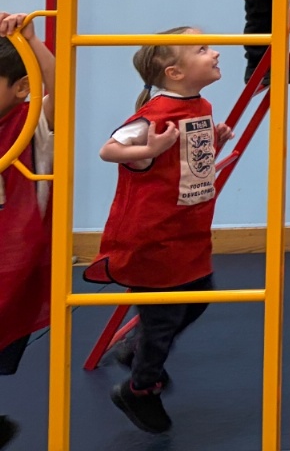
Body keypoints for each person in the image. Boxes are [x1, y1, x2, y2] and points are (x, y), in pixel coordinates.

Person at [87, 30, 232, 434]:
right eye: (202, 49)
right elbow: (109, 149)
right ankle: (140, 388)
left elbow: (184, 163)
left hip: (188, 230)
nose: (215, 51)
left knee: (198, 298)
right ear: (175, 72)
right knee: (163, 320)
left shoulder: (200, 105)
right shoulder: (156, 115)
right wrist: (149, 151)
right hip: (153, 239)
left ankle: (135, 351)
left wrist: (213, 143)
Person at [0, 14, 54, 451]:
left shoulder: (30, 122)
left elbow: (61, 88)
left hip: (15, 262)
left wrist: (32, 42)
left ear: (20, 89)